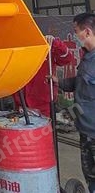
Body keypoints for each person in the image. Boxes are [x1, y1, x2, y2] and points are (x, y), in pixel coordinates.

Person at [59, 13, 95, 193]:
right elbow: (81, 83)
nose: (74, 35)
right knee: (90, 174)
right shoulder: (87, 57)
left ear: (87, 32)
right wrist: (59, 82)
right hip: (85, 129)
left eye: (76, 31)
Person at [13, 34, 73, 117]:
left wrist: (55, 43)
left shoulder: (47, 47)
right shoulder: (17, 49)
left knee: (45, 124)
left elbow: (67, 58)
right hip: (22, 104)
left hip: (44, 104)